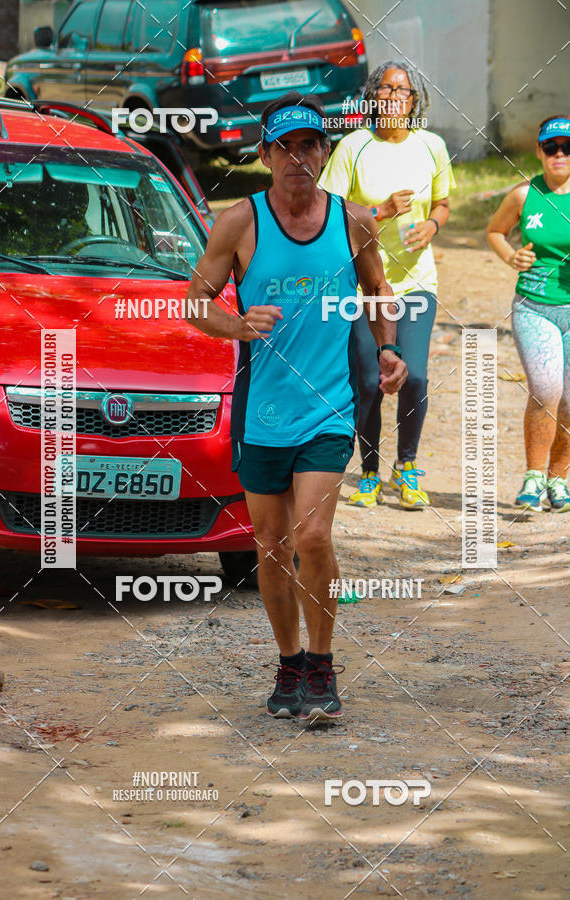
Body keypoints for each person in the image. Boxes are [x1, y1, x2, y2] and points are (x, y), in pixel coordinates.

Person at [186, 91, 407, 720]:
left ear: (324, 151)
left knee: (313, 533)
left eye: (308, 145)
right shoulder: (239, 221)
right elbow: (194, 300)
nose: (296, 158)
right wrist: (235, 324)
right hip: (262, 409)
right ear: (264, 155)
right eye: (284, 146)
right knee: (270, 541)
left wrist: (387, 347)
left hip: (330, 406)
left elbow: (377, 287)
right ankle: (287, 665)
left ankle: (321, 663)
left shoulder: (353, 220)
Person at [318, 60, 455, 510]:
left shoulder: (432, 146)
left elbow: (444, 202)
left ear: (414, 101)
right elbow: (329, 216)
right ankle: (371, 471)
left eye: (403, 91)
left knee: (413, 376)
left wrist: (433, 225)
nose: (394, 97)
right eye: (386, 90)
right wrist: (378, 213)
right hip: (363, 288)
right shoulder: (353, 148)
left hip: (415, 283)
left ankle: (408, 467)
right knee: (370, 381)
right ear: (372, 97)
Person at [487, 115, 570, 512]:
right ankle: (533, 477)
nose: (559, 154)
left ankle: (558, 480)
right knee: (545, 389)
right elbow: (494, 232)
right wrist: (511, 257)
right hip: (534, 308)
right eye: (551, 147)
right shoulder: (524, 195)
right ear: (539, 151)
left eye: (567, 147)